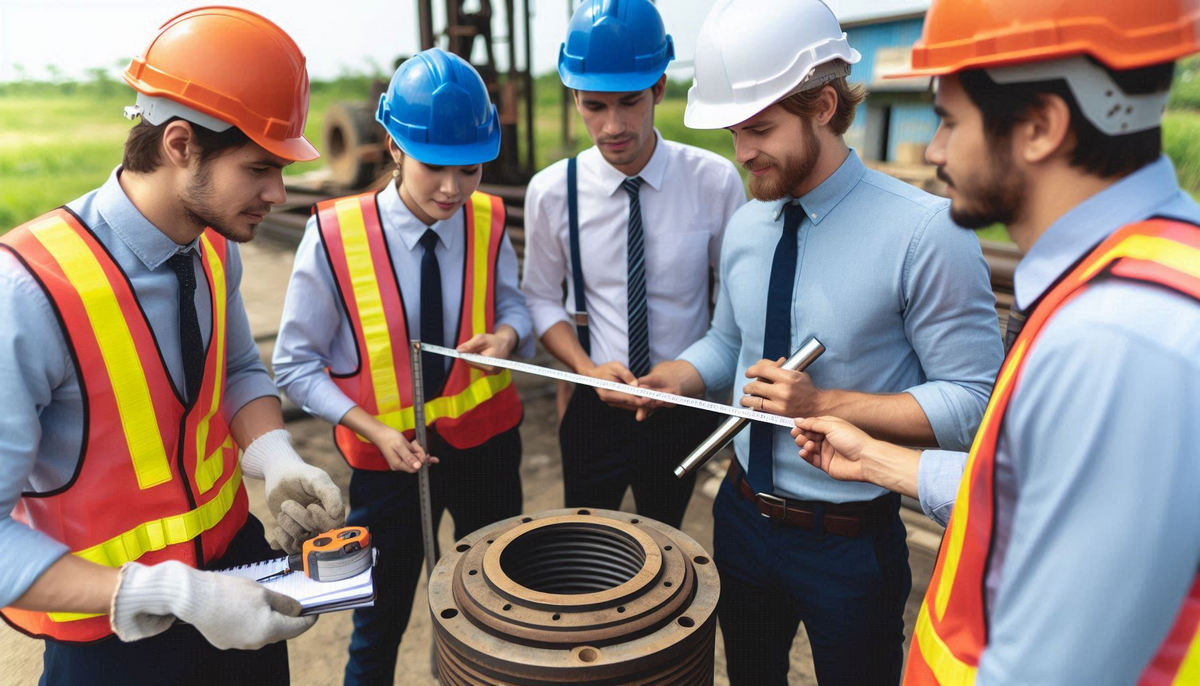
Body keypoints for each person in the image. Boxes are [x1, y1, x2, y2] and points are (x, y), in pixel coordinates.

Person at [791, 0, 1200, 683]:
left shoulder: (1118, 342)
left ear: (1040, 126)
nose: (933, 149)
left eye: (950, 120)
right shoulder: (1130, 277)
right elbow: (1038, 485)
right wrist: (883, 462)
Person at [635, 0, 1005, 683]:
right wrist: (676, 379)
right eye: (733, 131)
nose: (743, 152)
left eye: (758, 128)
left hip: (850, 543)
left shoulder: (927, 234)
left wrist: (824, 401)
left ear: (824, 105)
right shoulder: (748, 224)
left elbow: (975, 403)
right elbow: (729, 344)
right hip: (742, 519)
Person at [0, 7, 346, 683]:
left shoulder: (213, 244)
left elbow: (239, 367)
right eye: (260, 168)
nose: (279, 193)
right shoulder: (28, 292)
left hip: (238, 582)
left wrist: (273, 453)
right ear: (181, 144)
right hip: (112, 640)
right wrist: (169, 594)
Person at [272, 47, 533, 684]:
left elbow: (515, 308)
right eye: (434, 168)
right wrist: (372, 428)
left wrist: (506, 336)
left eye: (469, 169)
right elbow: (295, 366)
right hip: (385, 468)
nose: (452, 188)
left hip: (488, 453)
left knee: (504, 614)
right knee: (379, 626)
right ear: (393, 147)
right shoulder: (333, 234)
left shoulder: (489, 219)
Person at [521, 0, 745, 529]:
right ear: (574, 96)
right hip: (594, 402)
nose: (613, 125)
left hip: (683, 403)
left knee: (666, 545)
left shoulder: (714, 182)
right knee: (587, 544)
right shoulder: (553, 192)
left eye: (629, 102)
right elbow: (539, 297)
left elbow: (737, 305)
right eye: (594, 106)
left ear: (660, 88)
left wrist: (697, 378)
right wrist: (585, 369)